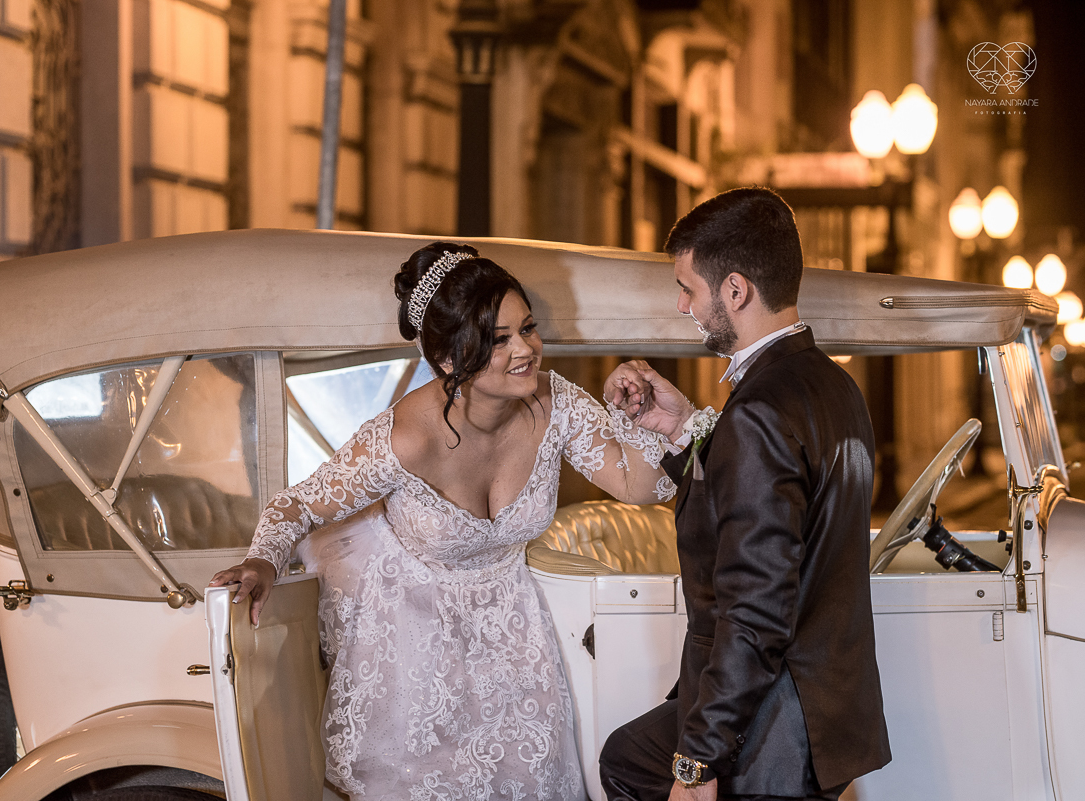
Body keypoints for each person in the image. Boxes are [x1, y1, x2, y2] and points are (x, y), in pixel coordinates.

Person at [210, 242, 677, 801]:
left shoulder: (558, 404)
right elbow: (299, 505)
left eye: (526, 328)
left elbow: (641, 485)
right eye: (499, 340)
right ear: (451, 361)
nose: (526, 349)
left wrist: (644, 416)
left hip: (512, 630)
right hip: (410, 637)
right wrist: (263, 557)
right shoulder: (405, 438)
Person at [597, 187, 891, 801]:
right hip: (829, 706)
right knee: (628, 754)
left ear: (735, 290)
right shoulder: (835, 386)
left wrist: (696, 763)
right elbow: (769, 511)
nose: (683, 306)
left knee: (627, 764)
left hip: (776, 719)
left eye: (689, 289)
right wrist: (683, 432)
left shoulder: (758, 409)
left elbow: (755, 609)